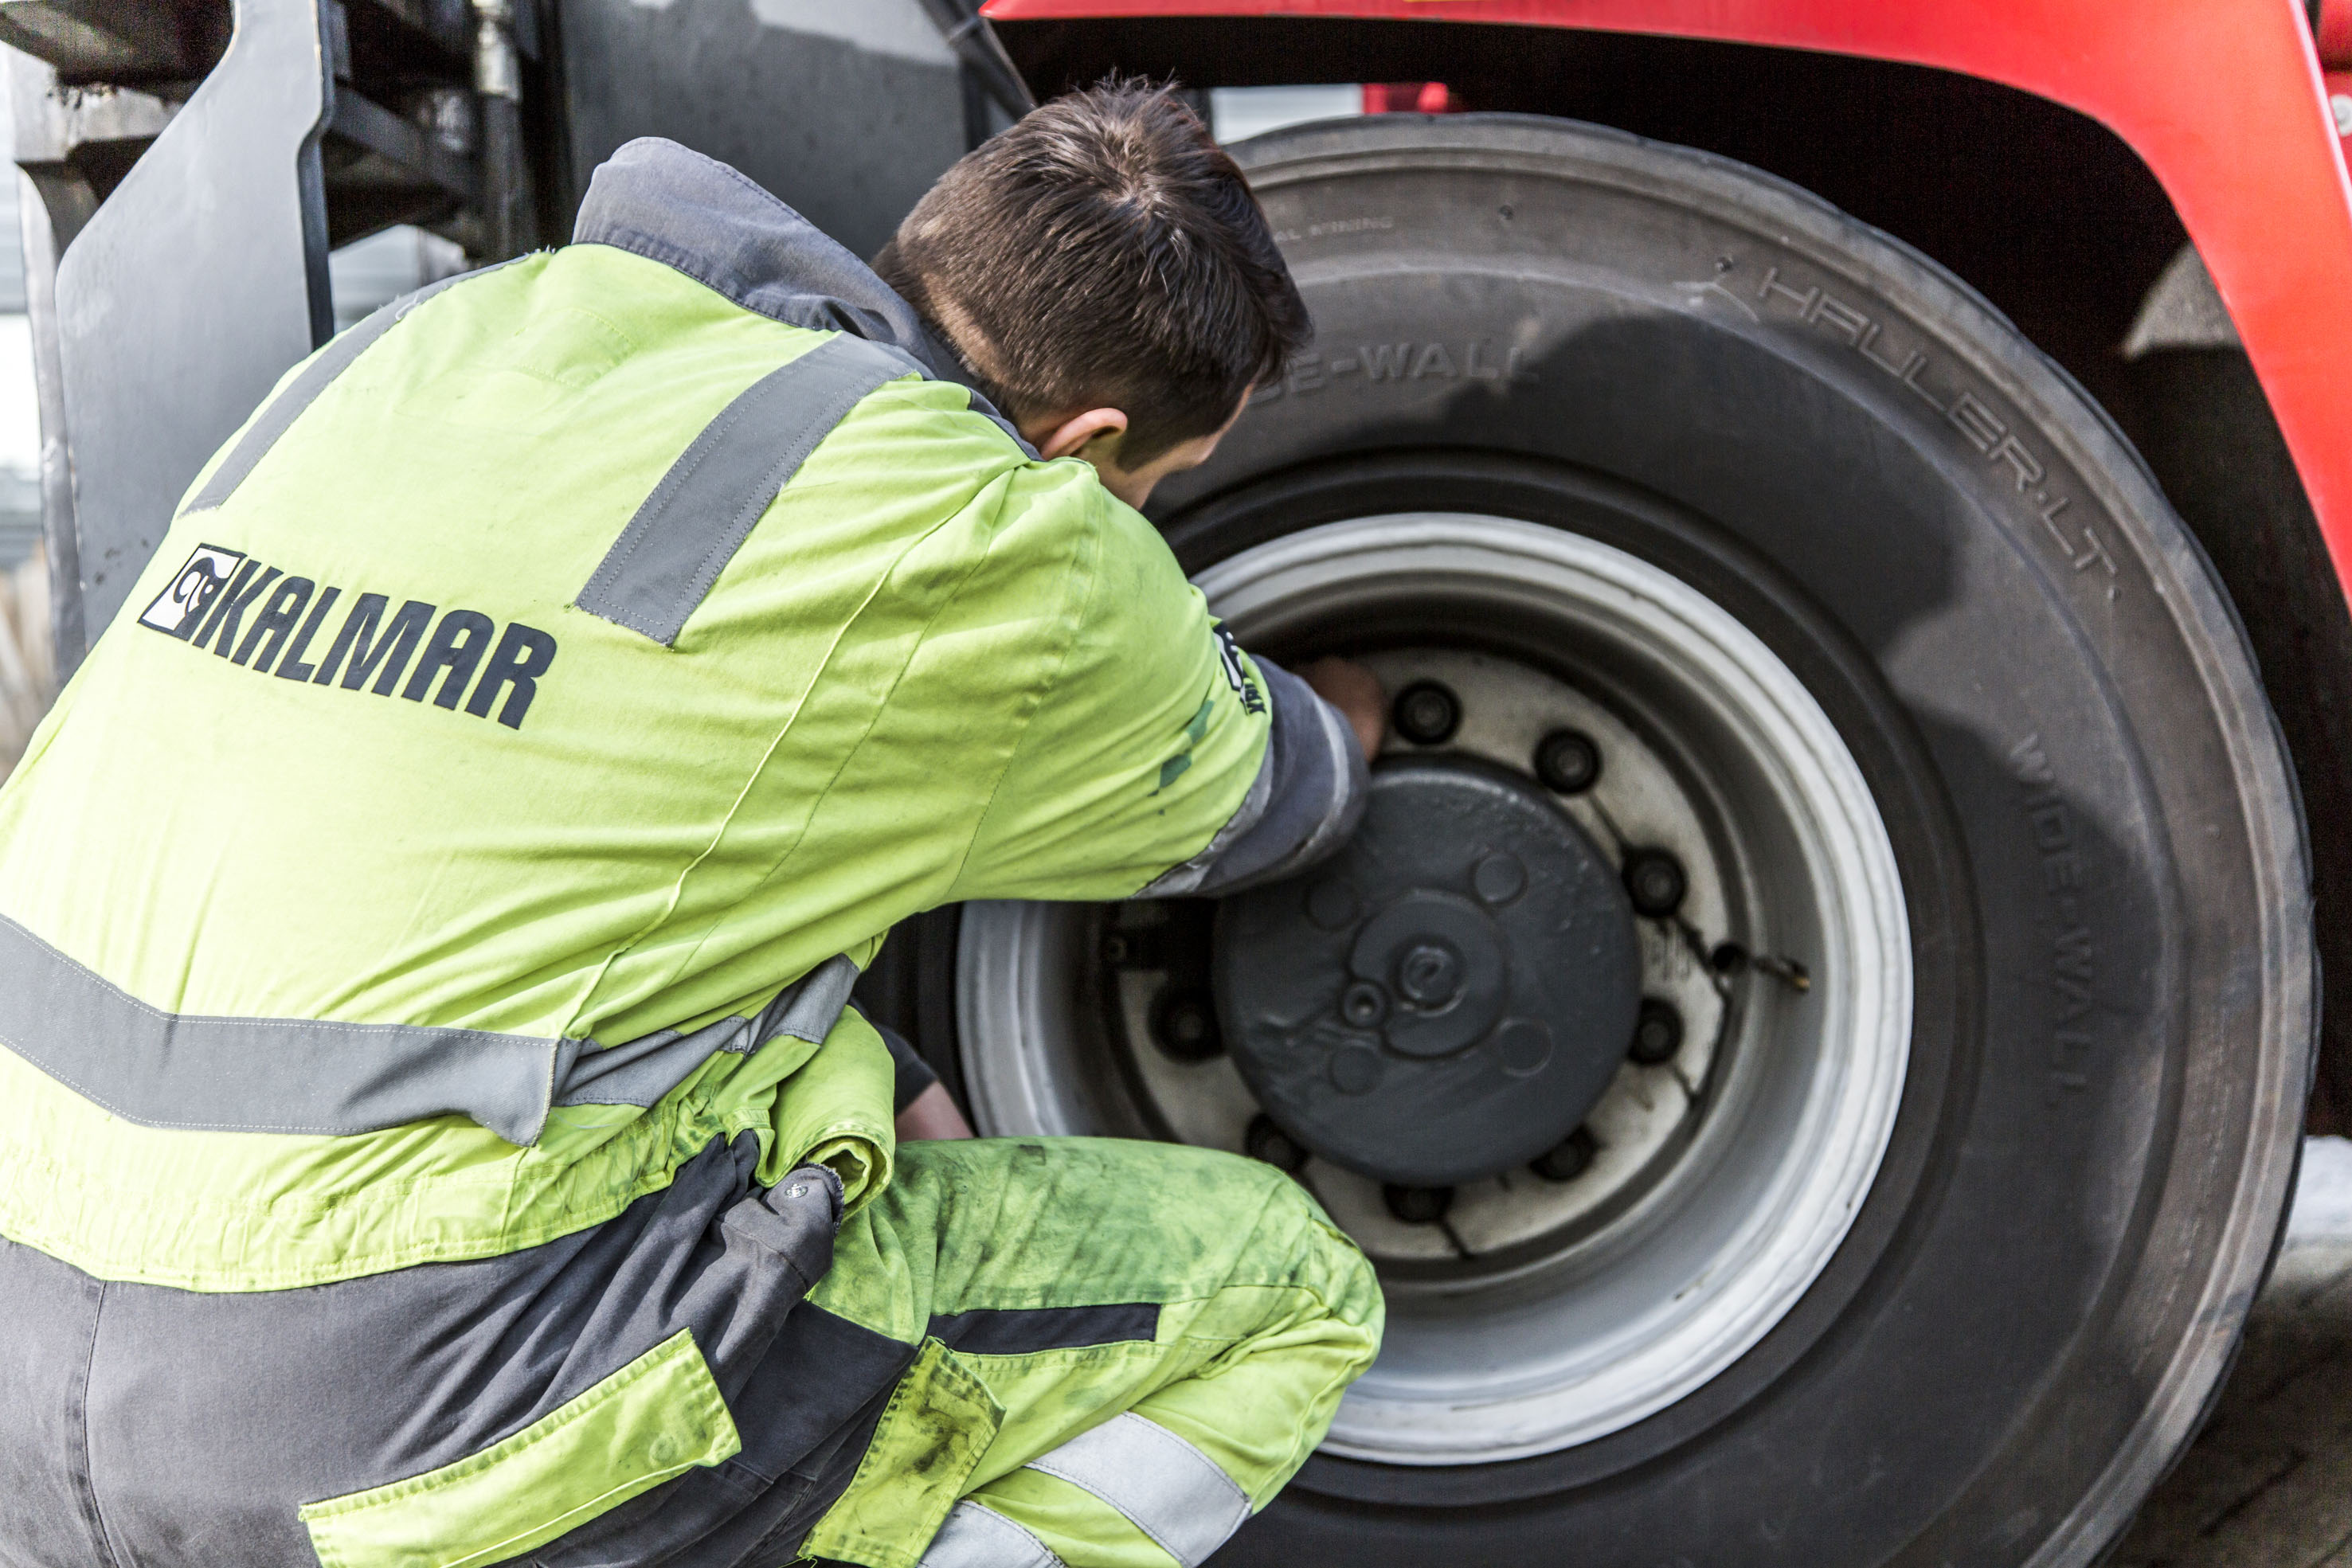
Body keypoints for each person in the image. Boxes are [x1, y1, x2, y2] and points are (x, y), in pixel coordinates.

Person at [0, 80, 1389, 1568]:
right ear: (1090, 439)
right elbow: (1273, 791)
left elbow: (527, 837)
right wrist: (1361, 709)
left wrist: (889, 1063)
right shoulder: (1005, 535)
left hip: (24, 1363)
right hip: (388, 1422)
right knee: (1292, 1293)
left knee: (831, 1066)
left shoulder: (449, 340)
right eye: (1154, 486)